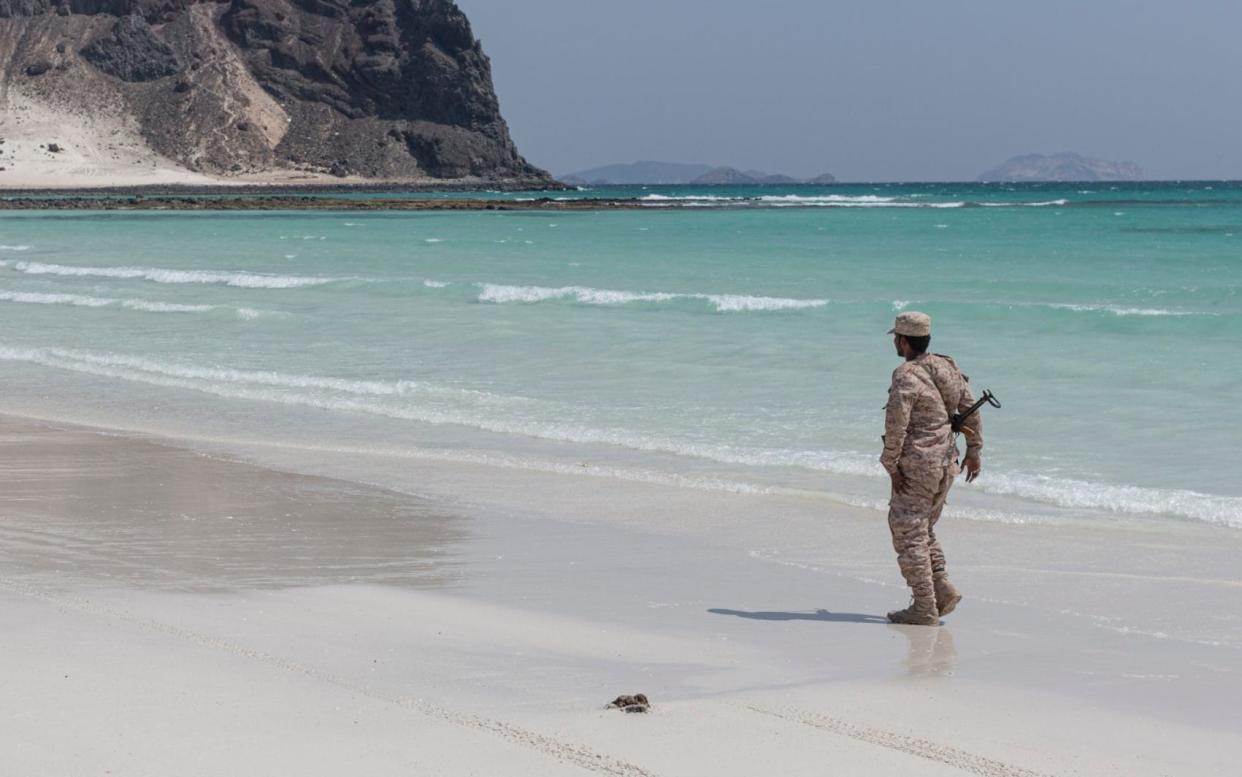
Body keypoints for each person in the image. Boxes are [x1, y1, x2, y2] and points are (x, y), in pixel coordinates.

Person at [881, 312, 982, 625]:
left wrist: (890, 463)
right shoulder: (947, 366)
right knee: (922, 527)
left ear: (904, 340)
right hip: (946, 461)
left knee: (906, 530)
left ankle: (924, 606)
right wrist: (974, 450)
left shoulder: (905, 374)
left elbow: (896, 422)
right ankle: (941, 587)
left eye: (897, 338)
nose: (896, 343)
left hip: (918, 463)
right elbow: (970, 407)